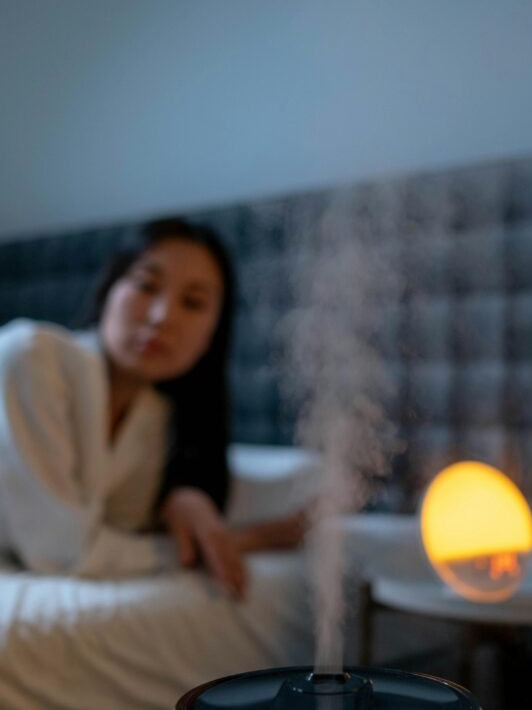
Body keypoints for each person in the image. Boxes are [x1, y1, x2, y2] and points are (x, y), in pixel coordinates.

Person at [0, 217, 306, 598]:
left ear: (212, 334)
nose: (162, 317)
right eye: (146, 285)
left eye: (193, 303)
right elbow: (61, 553)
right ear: (110, 289)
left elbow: (119, 537)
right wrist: (249, 539)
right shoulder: (30, 357)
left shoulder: (159, 425)